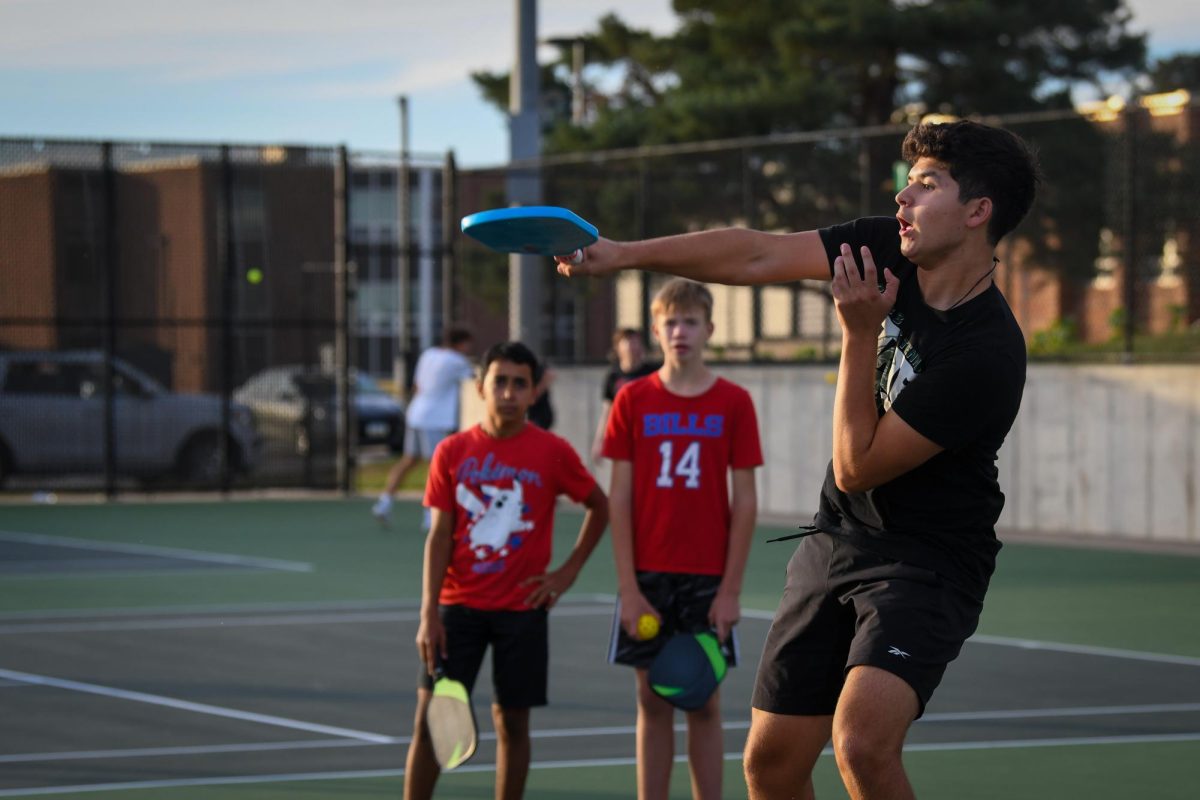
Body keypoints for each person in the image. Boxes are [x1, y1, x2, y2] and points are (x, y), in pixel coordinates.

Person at [559, 120, 1041, 800]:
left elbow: (857, 466)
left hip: (927, 561)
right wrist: (621, 254)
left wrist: (860, 333)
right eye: (906, 184)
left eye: (925, 186)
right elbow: (756, 255)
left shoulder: (987, 355)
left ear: (976, 213)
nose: (903, 199)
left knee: (863, 747)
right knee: (771, 766)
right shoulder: (886, 249)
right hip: (838, 541)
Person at [404, 341, 609, 800]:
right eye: (500, 381)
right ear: (481, 387)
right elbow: (438, 537)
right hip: (457, 609)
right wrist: (428, 614)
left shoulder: (552, 451)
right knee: (430, 721)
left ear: (534, 392)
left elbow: (600, 506)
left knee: (513, 721)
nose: (509, 392)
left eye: (520, 383)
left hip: (523, 609)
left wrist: (567, 572)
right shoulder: (452, 452)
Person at [602, 278, 763, 800]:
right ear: (655, 330)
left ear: (709, 329)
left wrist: (730, 590)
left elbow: (745, 502)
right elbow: (618, 499)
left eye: (690, 321)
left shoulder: (734, 402)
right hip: (648, 573)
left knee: (704, 701)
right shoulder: (631, 400)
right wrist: (628, 588)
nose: (680, 331)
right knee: (651, 700)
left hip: (707, 575)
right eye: (670, 322)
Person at [373, 327, 474, 527]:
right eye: (467, 344)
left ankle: (383, 503)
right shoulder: (458, 361)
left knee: (409, 460)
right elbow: (476, 380)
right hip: (435, 420)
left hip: (416, 414)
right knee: (436, 468)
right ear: (461, 343)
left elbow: (417, 386)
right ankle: (430, 515)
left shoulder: (429, 354)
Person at [591, 328, 659, 463]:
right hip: (623, 435)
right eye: (628, 342)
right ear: (618, 347)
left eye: (636, 342)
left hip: (648, 433)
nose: (632, 347)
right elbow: (607, 411)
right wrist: (599, 441)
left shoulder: (653, 373)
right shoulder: (613, 376)